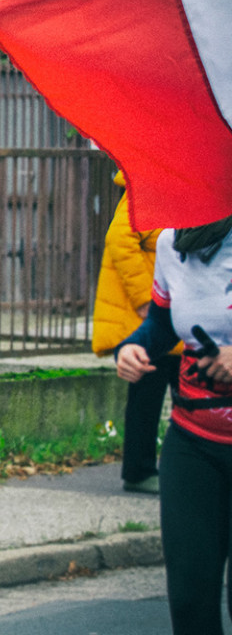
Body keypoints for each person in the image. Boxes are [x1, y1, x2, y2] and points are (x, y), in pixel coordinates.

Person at [116, 213, 232, 635]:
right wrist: (133, 348)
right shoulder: (170, 242)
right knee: (189, 599)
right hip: (193, 441)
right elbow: (163, 325)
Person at [91, 170, 181, 493]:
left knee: (174, 392)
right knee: (149, 391)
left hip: (171, 312)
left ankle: (154, 470)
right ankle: (140, 471)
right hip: (153, 314)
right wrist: (147, 300)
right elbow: (119, 239)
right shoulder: (148, 188)